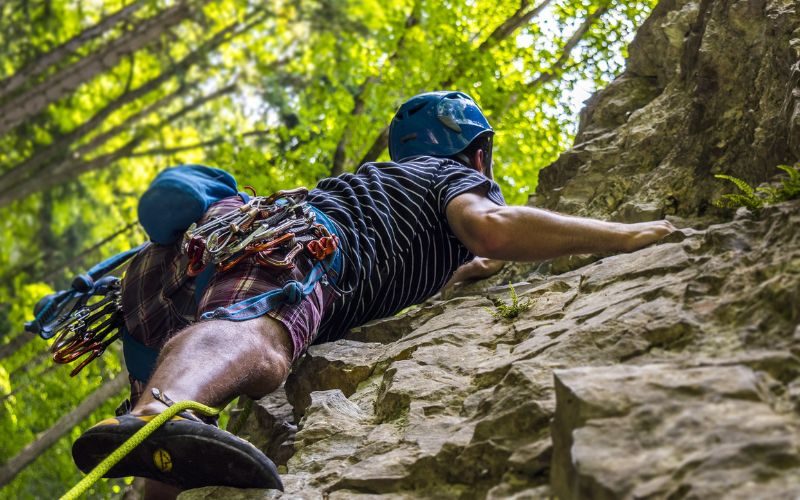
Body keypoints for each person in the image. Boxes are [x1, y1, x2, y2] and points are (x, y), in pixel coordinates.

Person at [72, 91, 675, 497]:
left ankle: (152, 450)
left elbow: (453, 262)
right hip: (297, 243)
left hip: (167, 278)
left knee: (175, 437)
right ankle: (156, 413)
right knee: (263, 338)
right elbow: (492, 227)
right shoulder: (451, 177)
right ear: (478, 153)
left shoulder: (390, 194)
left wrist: (468, 271)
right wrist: (627, 235)